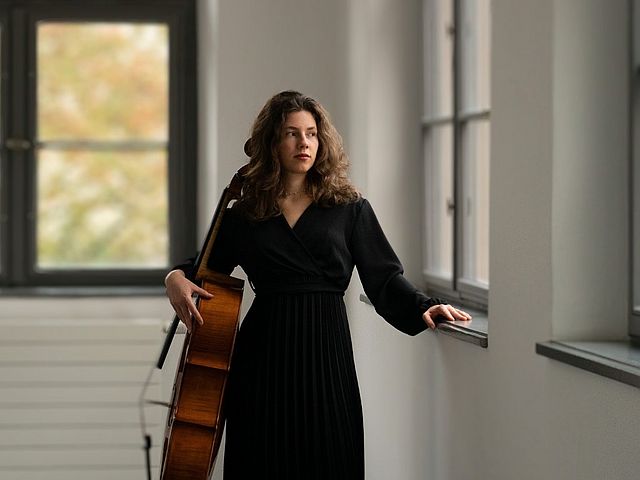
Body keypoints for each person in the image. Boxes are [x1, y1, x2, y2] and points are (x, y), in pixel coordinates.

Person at [165, 90, 471, 479]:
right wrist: (173, 277)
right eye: (292, 133)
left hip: (326, 351)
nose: (304, 143)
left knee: (329, 455)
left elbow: (384, 277)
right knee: (262, 458)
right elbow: (200, 269)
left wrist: (423, 306)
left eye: (311, 133)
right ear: (271, 142)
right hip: (263, 355)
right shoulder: (244, 213)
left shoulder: (349, 207)